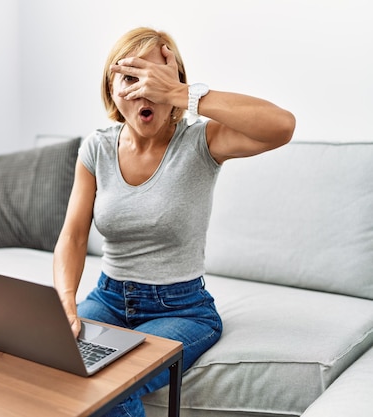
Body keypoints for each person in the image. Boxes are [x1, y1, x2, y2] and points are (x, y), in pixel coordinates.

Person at [53, 27, 296, 417]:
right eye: (131, 78)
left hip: (182, 310)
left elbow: (282, 126)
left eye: (157, 79)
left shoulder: (201, 142)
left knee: (111, 386)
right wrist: (65, 301)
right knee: (55, 369)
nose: (143, 91)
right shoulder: (97, 147)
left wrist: (183, 94)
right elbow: (74, 234)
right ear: (111, 89)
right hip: (107, 298)